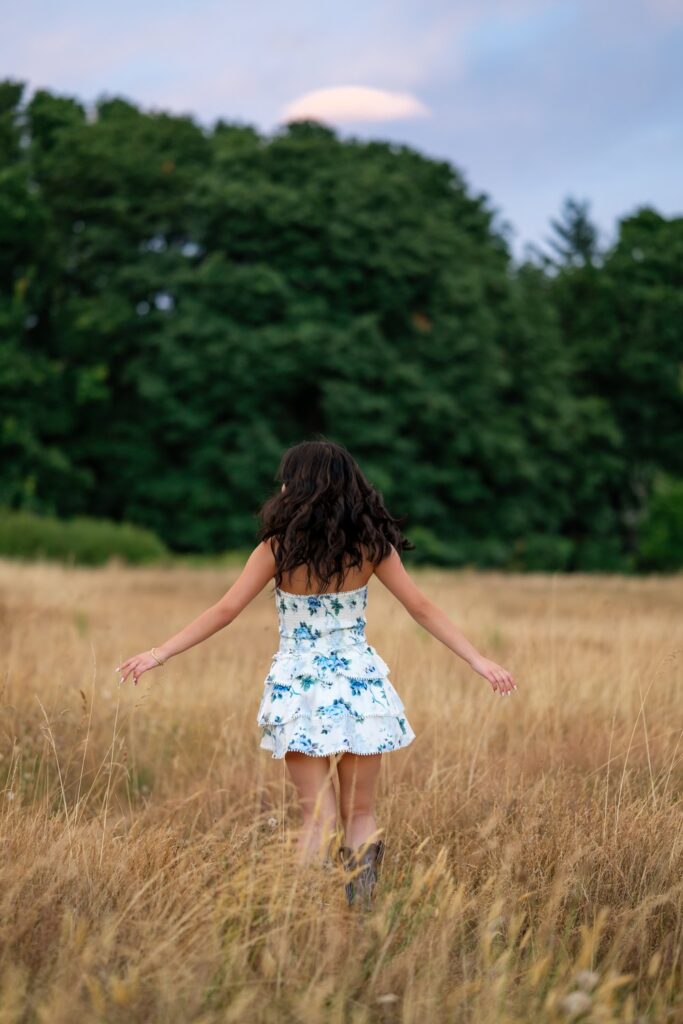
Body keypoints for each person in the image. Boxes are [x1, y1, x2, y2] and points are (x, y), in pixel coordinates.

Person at [116, 438, 518, 908]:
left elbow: (225, 610)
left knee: (316, 818)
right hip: (360, 687)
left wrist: (160, 653)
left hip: (299, 691)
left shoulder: (277, 548)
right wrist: (477, 659)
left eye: (287, 478)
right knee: (360, 812)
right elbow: (422, 607)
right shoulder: (373, 547)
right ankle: (360, 910)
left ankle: (304, 914)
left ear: (300, 485)